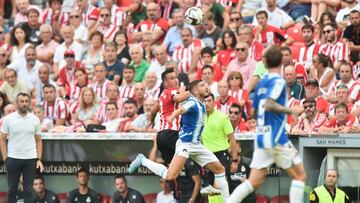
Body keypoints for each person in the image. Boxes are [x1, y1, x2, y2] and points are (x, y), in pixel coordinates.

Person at [227, 45, 307, 203]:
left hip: (262, 136)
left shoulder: (261, 83)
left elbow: (254, 112)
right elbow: (269, 104)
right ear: (281, 61)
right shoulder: (278, 81)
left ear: (266, 63)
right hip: (276, 137)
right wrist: (290, 111)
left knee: (253, 182)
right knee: (300, 175)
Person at [129, 80, 230, 201]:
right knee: (170, 176)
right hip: (185, 144)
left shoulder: (201, 104)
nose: (207, 86)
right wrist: (173, 116)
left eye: (206, 84)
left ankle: (223, 197)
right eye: (202, 85)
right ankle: (143, 160)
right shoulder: (192, 102)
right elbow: (181, 109)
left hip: (197, 145)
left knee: (220, 170)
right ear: (195, 91)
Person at [0, 92, 44, 203]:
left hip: (30, 159)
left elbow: (38, 140)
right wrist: (5, 158)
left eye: (26, 101)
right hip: (13, 158)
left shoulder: (35, 119)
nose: (24, 104)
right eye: (21, 101)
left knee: (29, 190)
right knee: (12, 190)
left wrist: (38, 158)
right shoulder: (8, 119)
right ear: (16, 103)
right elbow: (2, 139)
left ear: (29, 103)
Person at [201, 93, 238, 193]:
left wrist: (235, 160)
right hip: (207, 156)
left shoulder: (222, 117)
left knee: (221, 186)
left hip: (221, 155)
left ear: (214, 102)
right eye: (204, 101)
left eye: (209, 101)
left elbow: (232, 139)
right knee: (211, 190)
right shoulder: (200, 117)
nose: (206, 104)